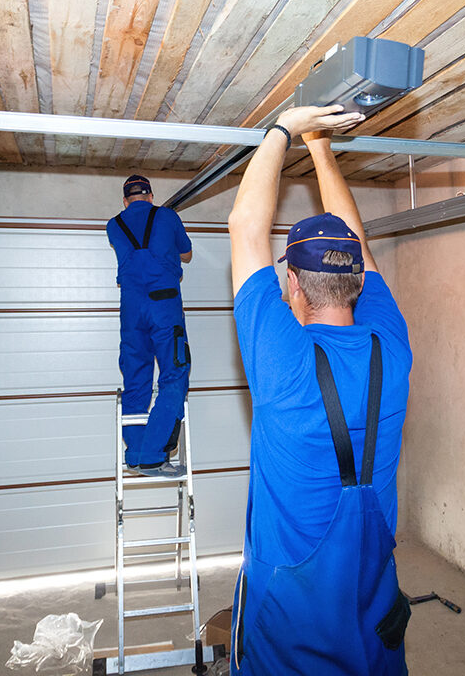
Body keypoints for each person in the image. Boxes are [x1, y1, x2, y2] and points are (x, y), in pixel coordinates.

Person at [227, 106, 413, 675]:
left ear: (292, 285)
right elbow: (355, 242)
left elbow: (245, 226)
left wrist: (285, 125)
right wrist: (319, 147)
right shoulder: (391, 345)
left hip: (289, 622)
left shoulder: (282, 363)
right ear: (358, 280)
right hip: (372, 601)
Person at [106, 174, 193, 477]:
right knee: (174, 374)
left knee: (136, 378)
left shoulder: (113, 225)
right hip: (164, 306)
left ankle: (135, 455)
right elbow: (186, 253)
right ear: (151, 196)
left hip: (132, 309)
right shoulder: (167, 216)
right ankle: (154, 456)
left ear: (125, 200)